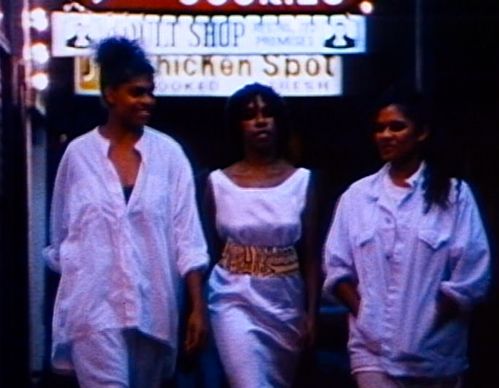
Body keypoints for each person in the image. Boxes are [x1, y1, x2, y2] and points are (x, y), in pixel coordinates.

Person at [44, 36, 209, 387]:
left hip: (155, 309)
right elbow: (59, 238)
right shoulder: (78, 156)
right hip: (93, 309)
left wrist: (197, 308)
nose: (147, 100)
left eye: (150, 92)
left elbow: (188, 238)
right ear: (109, 94)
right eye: (137, 92)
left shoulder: (170, 156)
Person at [322, 92, 491, 387]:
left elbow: (472, 271)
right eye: (379, 128)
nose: (386, 135)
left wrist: (426, 321)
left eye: (397, 127)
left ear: (421, 132)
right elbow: (337, 267)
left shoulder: (454, 195)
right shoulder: (358, 196)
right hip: (371, 349)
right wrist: (366, 315)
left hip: (435, 353)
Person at [204, 83, 320, 387]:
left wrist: (311, 314)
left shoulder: (302, 181)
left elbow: (310, 255)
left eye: (268, 113)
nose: (260, 120)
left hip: (285, 302)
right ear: (237, 125)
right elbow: (211, 251)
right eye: (249, 115)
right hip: (232, 297)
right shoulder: (217, 183)